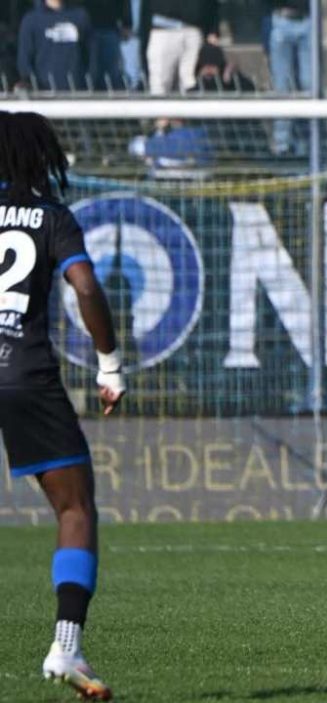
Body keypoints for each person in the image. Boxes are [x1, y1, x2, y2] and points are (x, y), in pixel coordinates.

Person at [0, 111, 126, 700]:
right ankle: (66, 645)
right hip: (24, 375)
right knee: (75, 509)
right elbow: (84, 285)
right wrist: (109, 365)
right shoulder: (53, 217)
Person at [139, 0, 218, 94]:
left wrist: (213, 29)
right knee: (161, 81)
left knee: (188, 80)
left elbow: (213, 4)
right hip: (164, 27)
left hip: (193, 28)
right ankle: (160, 107)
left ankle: (188, 106)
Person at [266, 0, 310, 156]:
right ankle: (281, 143)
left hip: (307, 20)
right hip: (281, 19)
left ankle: (309, 141)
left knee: (309, 84)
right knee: (282, 86)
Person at [17, 0, 90, 91]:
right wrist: (34, 87)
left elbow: (91, 55)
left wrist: (88, 83)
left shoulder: (80, 16)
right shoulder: (31, 20)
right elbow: (24, 60)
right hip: (43, 94)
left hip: (77, 92)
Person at [79, 0, 130, 90]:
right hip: (88, 28)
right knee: (91, 71)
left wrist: (127, 23)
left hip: (110, 27)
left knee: (112, 73)